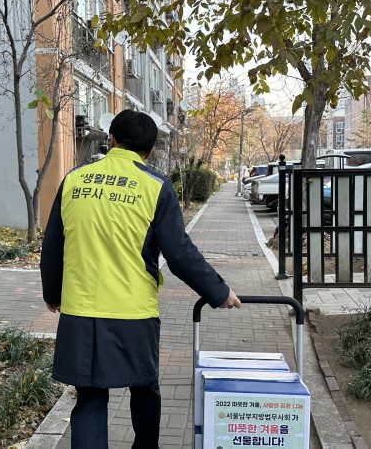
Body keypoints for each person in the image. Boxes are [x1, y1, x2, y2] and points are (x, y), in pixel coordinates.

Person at [40, 109, 241, 449]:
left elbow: (53, 245)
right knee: (145, 388)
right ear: (149, 150)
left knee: (89, 398)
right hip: (133, 312)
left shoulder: (73, 180)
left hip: (81, 310)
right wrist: (218, 292)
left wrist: (53, 294)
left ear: (111, 140)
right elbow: (179, 254)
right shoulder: (155, 186)